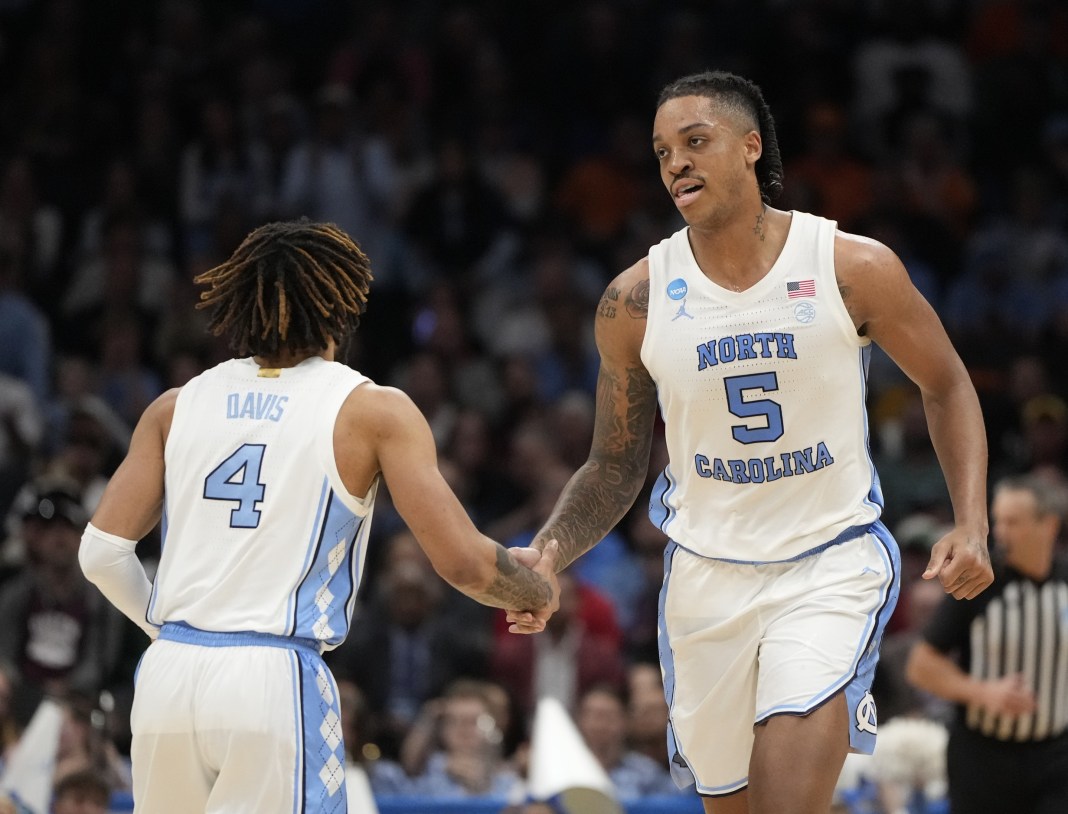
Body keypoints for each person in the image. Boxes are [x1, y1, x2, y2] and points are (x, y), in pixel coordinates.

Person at [505, 70, 992, 814]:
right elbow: (613, 462)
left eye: (695, 142)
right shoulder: (633, 299)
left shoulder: (850, 266)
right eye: (664, 151)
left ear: (749, 148)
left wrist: (971, 521)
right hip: (706, 581)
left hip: (828, 565)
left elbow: (948, 383)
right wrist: (549, 551)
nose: (676, 164)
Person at [77, 219, 559, 813]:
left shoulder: (175, 406)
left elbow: (100, 553)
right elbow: (463, 563)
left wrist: (173, 632)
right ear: (340, 309)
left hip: (167, 677)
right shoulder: (371, 410)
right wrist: (532, 589)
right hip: (271, 678)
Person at [905, 474, 1068, 814]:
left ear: (1049, 525)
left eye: (1013, 522)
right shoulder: (980, 583)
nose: (1001, 532)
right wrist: (984, 693)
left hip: (1057, 756)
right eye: (999, 521)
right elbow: (921, 665)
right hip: (983, 758)